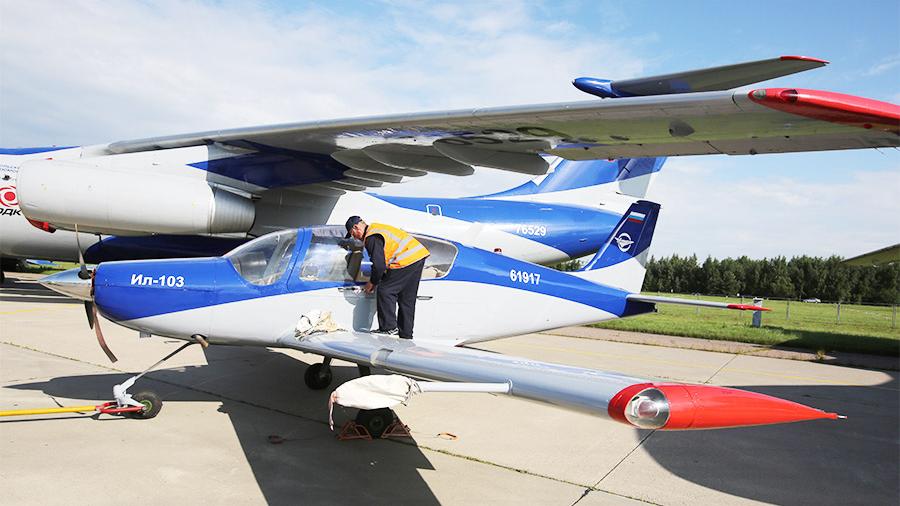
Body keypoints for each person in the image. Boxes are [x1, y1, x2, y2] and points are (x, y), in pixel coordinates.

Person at [345, 216, 429, 339]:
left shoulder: (371, 237)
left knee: (385, 290)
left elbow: (379, 266)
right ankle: (406, 335)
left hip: (405, 259)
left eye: (353, 234)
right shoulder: (377, 229)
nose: (355, 238)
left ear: (356, 227)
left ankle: (389, 328)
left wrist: (372, 282)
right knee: (407, 299)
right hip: (417, 257)